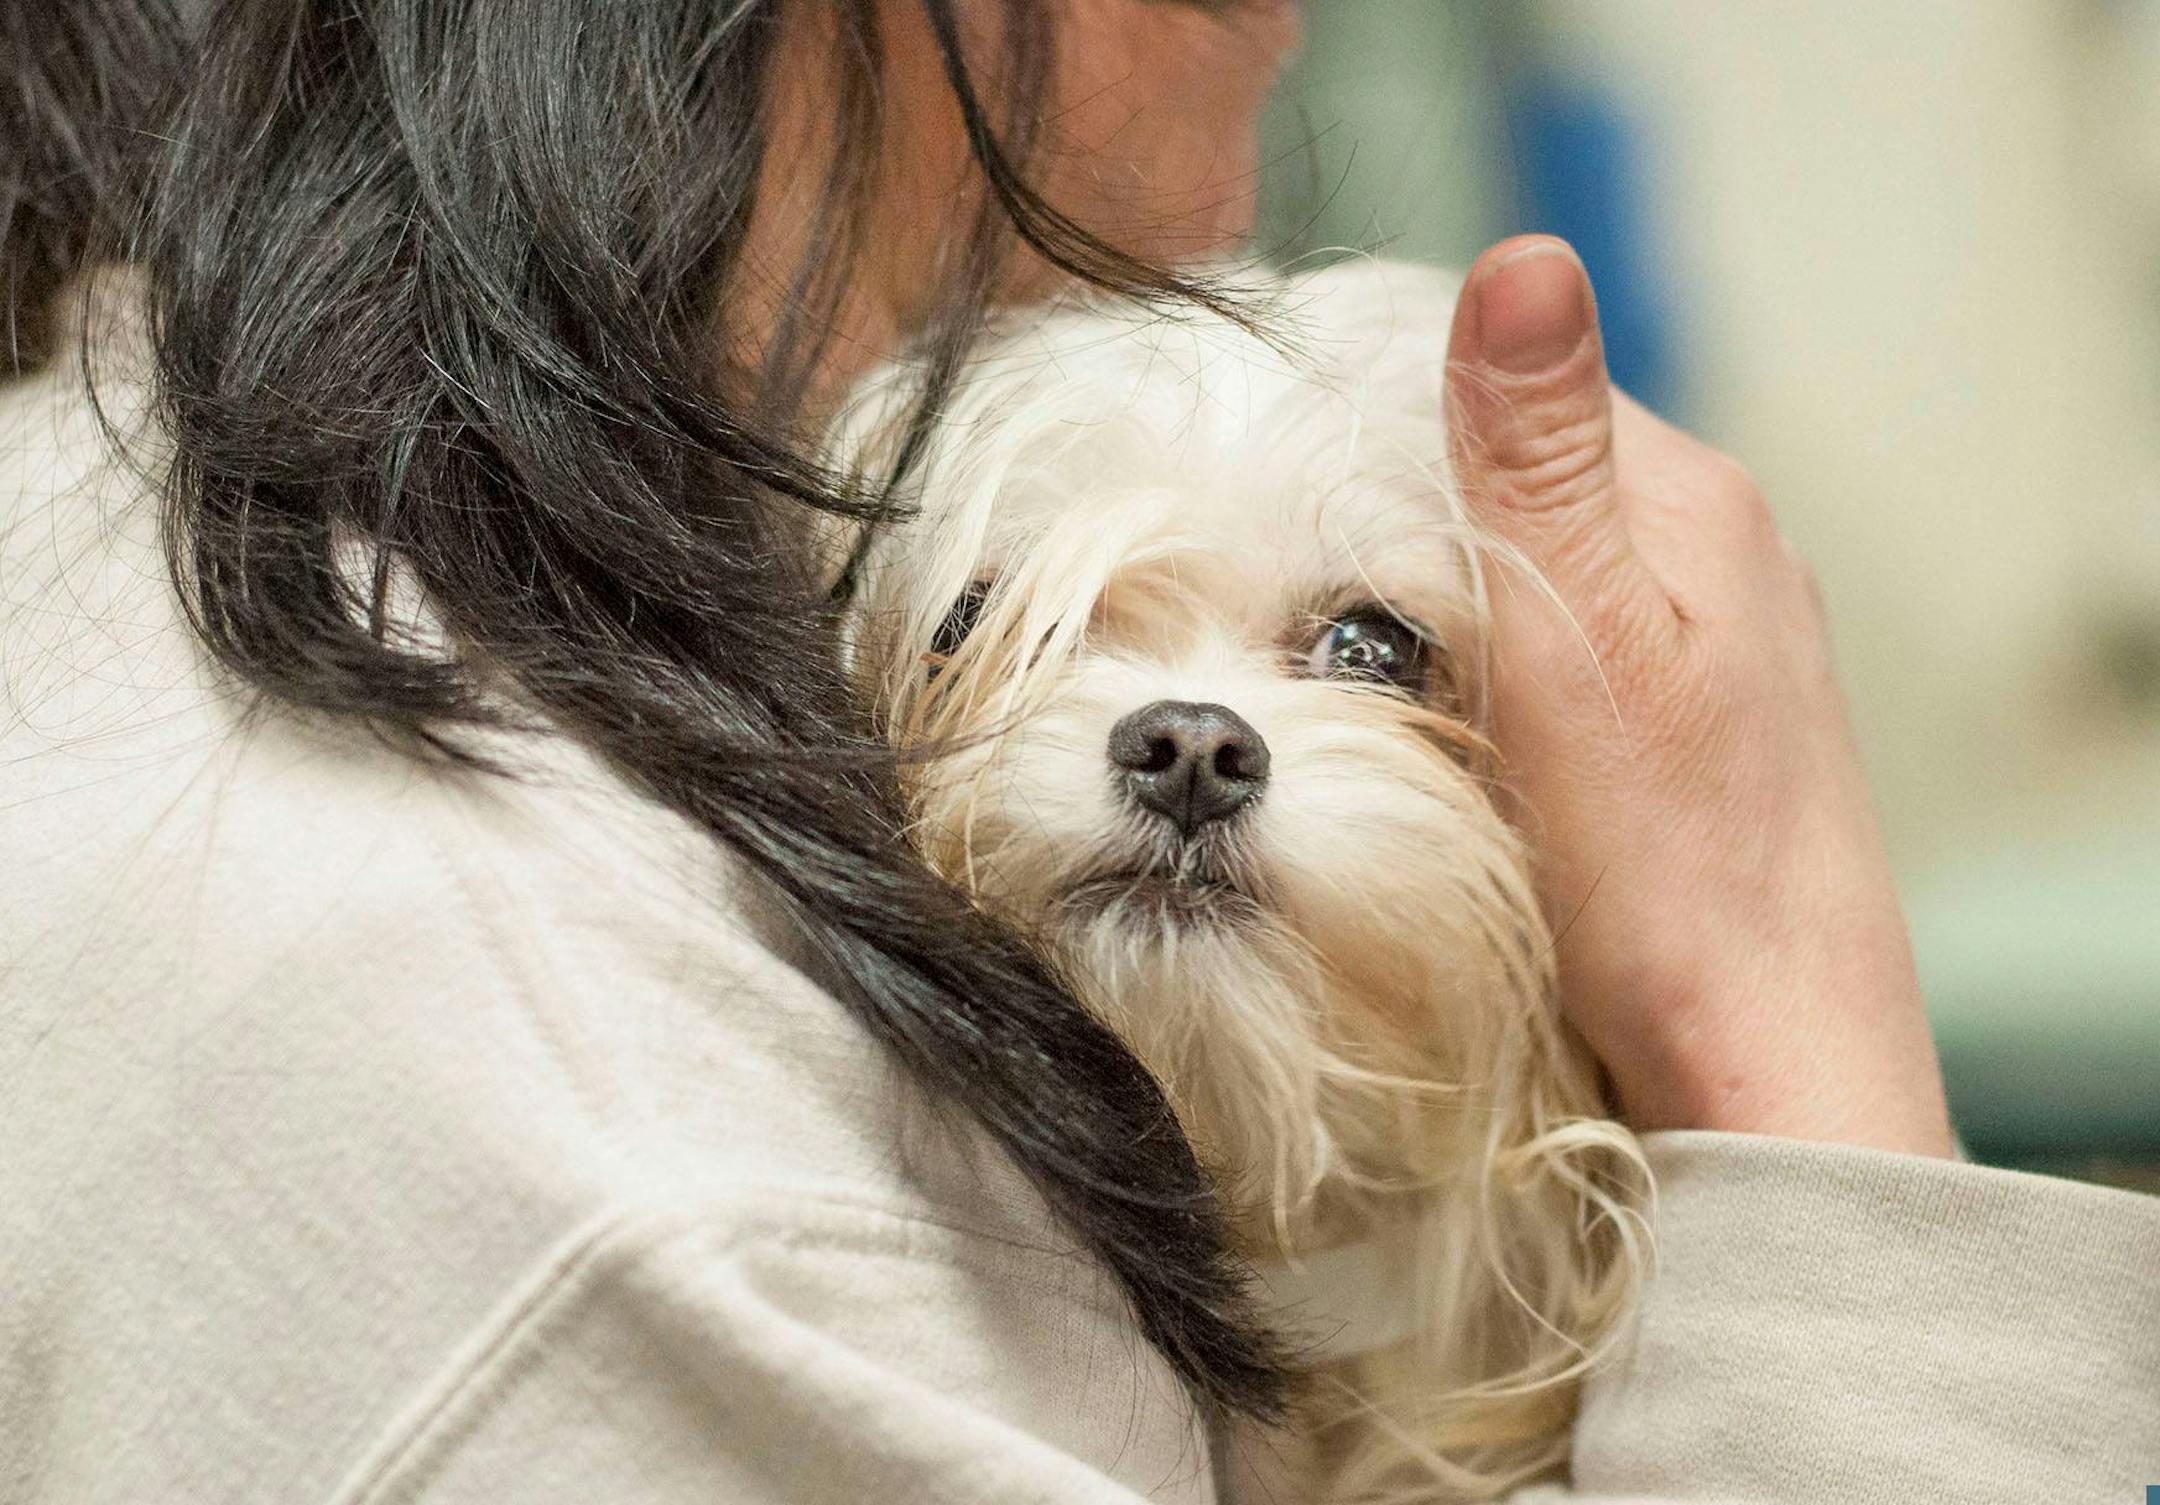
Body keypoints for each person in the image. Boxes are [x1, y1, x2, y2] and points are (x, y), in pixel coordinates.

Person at [2, 3, 2153, 1502]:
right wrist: (1795, 1043)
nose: (1197, 735)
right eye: (1005, 624)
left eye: (1373, 648)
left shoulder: (105, 493)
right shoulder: (642, 1174)